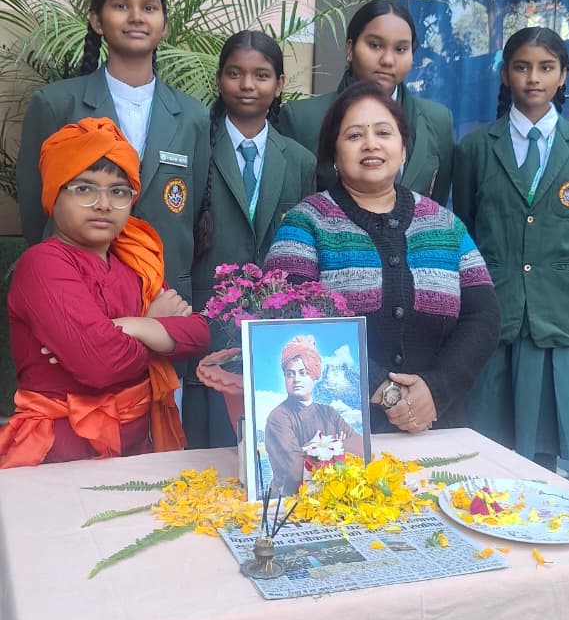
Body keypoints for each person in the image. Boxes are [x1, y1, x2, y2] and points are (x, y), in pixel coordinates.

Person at [266, 81, 500, 434]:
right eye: (354, 135)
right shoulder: (305, 223)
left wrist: (437, 390)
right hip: (339, 435)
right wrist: (385, 391)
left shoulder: (445, 225)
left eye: (383, 133)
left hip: (437, 427)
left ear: (403, 149)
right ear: (334, 154)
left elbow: (484, 316)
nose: (371, 144)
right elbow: (290, 322)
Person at [0, 117, 209, 467]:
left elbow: (198, 334)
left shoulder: (136, 261)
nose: (103, 204)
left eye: (118, 191)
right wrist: (155, 330)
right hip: (57, 455)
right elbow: (100, 365)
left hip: (134, 454)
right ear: (54, 194)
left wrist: (129, 325)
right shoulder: (42, 264)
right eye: (84, 189)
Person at [16, 0, 209, 306]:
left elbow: (192, 215)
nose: (136, 17)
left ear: (164, 25)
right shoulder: (57, 105)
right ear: (97, 20)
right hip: (79, 293)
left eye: (149, 8)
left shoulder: (193, 115)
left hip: (166, 296)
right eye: (121, 6)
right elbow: (35, 211)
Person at [453, 26, 569, 468]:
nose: (534, 78)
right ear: (505, 74)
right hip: (496, 303)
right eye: (522, 67)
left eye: (546, 68)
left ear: (564, 75)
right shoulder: (475, 147)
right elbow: (468, 223)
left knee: (542, 446)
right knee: (487, 439)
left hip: (555, 310)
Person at [187, 30, 317, 446]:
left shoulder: (300, 160)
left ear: (279, 84)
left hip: (274, 329)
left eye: (261, 75)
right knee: (208, 447)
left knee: (270, 442)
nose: (247, 85)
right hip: (206, 324)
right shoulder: (196, 149)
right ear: (219, 79)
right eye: (234, 73)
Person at [278, 0, 455, 201]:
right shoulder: (302, 119)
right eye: (375, 45)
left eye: (400, 49)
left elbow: (437, 203)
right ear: (350, 48)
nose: (387, 60)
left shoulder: (438, 120)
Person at [264, 335, 365, 494]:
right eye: (290, 374)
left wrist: (312, 448)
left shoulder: (329, 413)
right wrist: (336, 445)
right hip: (288, 501)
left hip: (332, 495)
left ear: (313, 375)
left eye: (303, 373)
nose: (296, 379)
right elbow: (295, 471)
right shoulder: (278, 418)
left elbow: (361, 448)